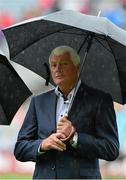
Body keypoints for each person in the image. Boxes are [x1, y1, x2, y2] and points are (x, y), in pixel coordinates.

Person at [14, 45, 119, 179]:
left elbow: (111, 149)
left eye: (63, 64)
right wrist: (43, 144)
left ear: (77, 68)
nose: (57, 69)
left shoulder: (100, 100)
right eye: (53, 65)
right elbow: (20, 148)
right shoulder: (38, 102)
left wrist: (75, 138)